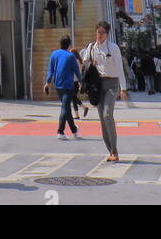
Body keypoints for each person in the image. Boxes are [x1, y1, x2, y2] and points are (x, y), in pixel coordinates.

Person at [80, 21, 127, 162]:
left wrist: (123, 88)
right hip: (97, 85)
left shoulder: (113, 48)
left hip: (112, 84)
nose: (100, 35)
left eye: (103, 33)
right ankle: (111, 150)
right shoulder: (91, 48)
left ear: (107, 34)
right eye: (98, 32)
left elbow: (119, 68)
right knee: (102, 118)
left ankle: (115, 149)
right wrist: (90, 63)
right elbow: (84, 62)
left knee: (107, 115)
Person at [45, 34, 82, 139]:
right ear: (69, 45)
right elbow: (77, 71)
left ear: (60, 43)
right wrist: (81, 81)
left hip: (58, 85)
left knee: (66, 108)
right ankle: (60, 131)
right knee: (65, 108)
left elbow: (50, 71)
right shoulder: (70, 56)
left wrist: (47, 83)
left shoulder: (54, 54)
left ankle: (74, 130)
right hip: (68, 85)